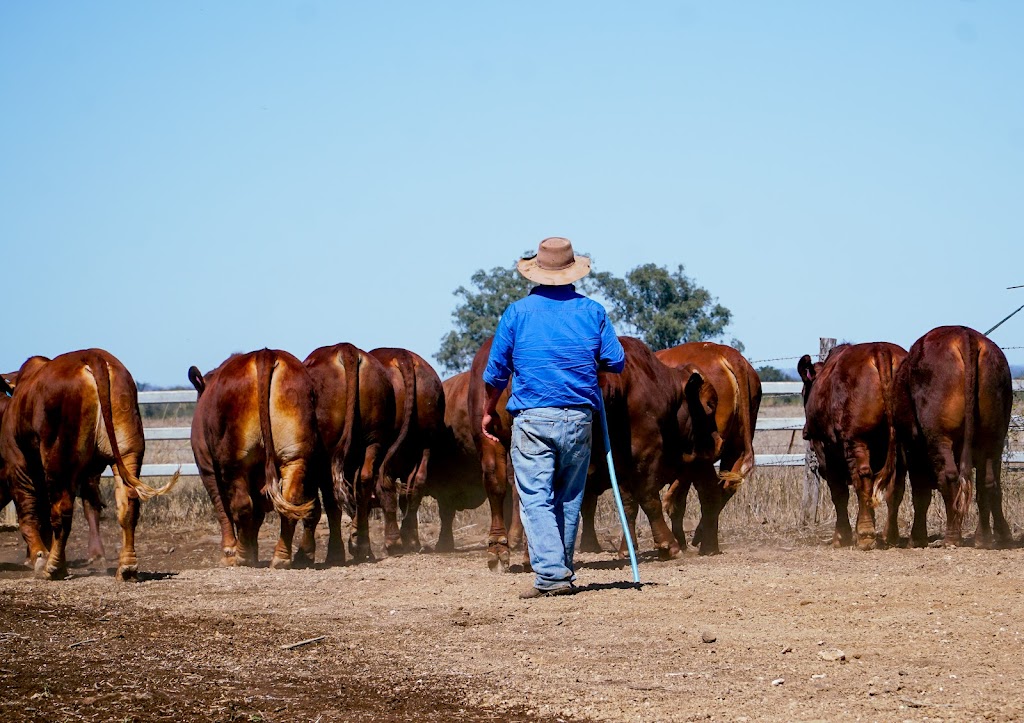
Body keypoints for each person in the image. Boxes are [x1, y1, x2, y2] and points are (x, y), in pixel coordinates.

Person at [481, 237, 625, 599]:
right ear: (573, 272)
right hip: (579, 418)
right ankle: (561, 569)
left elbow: (496, 372)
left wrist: (487, 410)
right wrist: (585, 363)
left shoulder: (517, 313)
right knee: (569, 496)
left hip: (533, 418)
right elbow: (616, 360)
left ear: (537, 272)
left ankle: (550, 575)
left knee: (535, 496)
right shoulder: (593, 311)